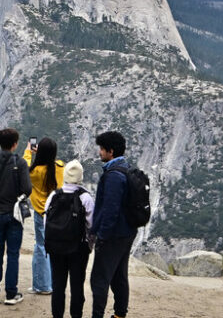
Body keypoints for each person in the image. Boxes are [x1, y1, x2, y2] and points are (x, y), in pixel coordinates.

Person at [0, 128, 32, 305]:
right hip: (14, 215)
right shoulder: (21, 163)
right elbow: (27, 189)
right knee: (12, 254)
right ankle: (11, 294)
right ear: (15, 144)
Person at [89, 131, 136, 318]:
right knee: (119, 276)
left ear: (110, 151)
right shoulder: (126, 168)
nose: (99, 152)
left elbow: (110, 210)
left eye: (102, 149)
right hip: (127, 232)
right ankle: (119, 315)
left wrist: (102, 236)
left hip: (113, 235)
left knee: (99, 279)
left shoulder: (114, 176)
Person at [44, 159, 94, 318]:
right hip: (78, 249)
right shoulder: (85, 197)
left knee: (58, 285)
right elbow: (91, 226)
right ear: (80, 177)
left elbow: (47, 222)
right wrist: (89, 246)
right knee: (77, 286)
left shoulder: (54, 195)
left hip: (56, 248)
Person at [23, 137, 64, 295]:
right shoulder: (60, 168)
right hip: (57, 214)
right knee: (54, 249)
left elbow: (24, 166)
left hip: (41, 214)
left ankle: (43, 286)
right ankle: (53, 283)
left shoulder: (35, 172)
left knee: (41, 247)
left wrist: (29, 151)